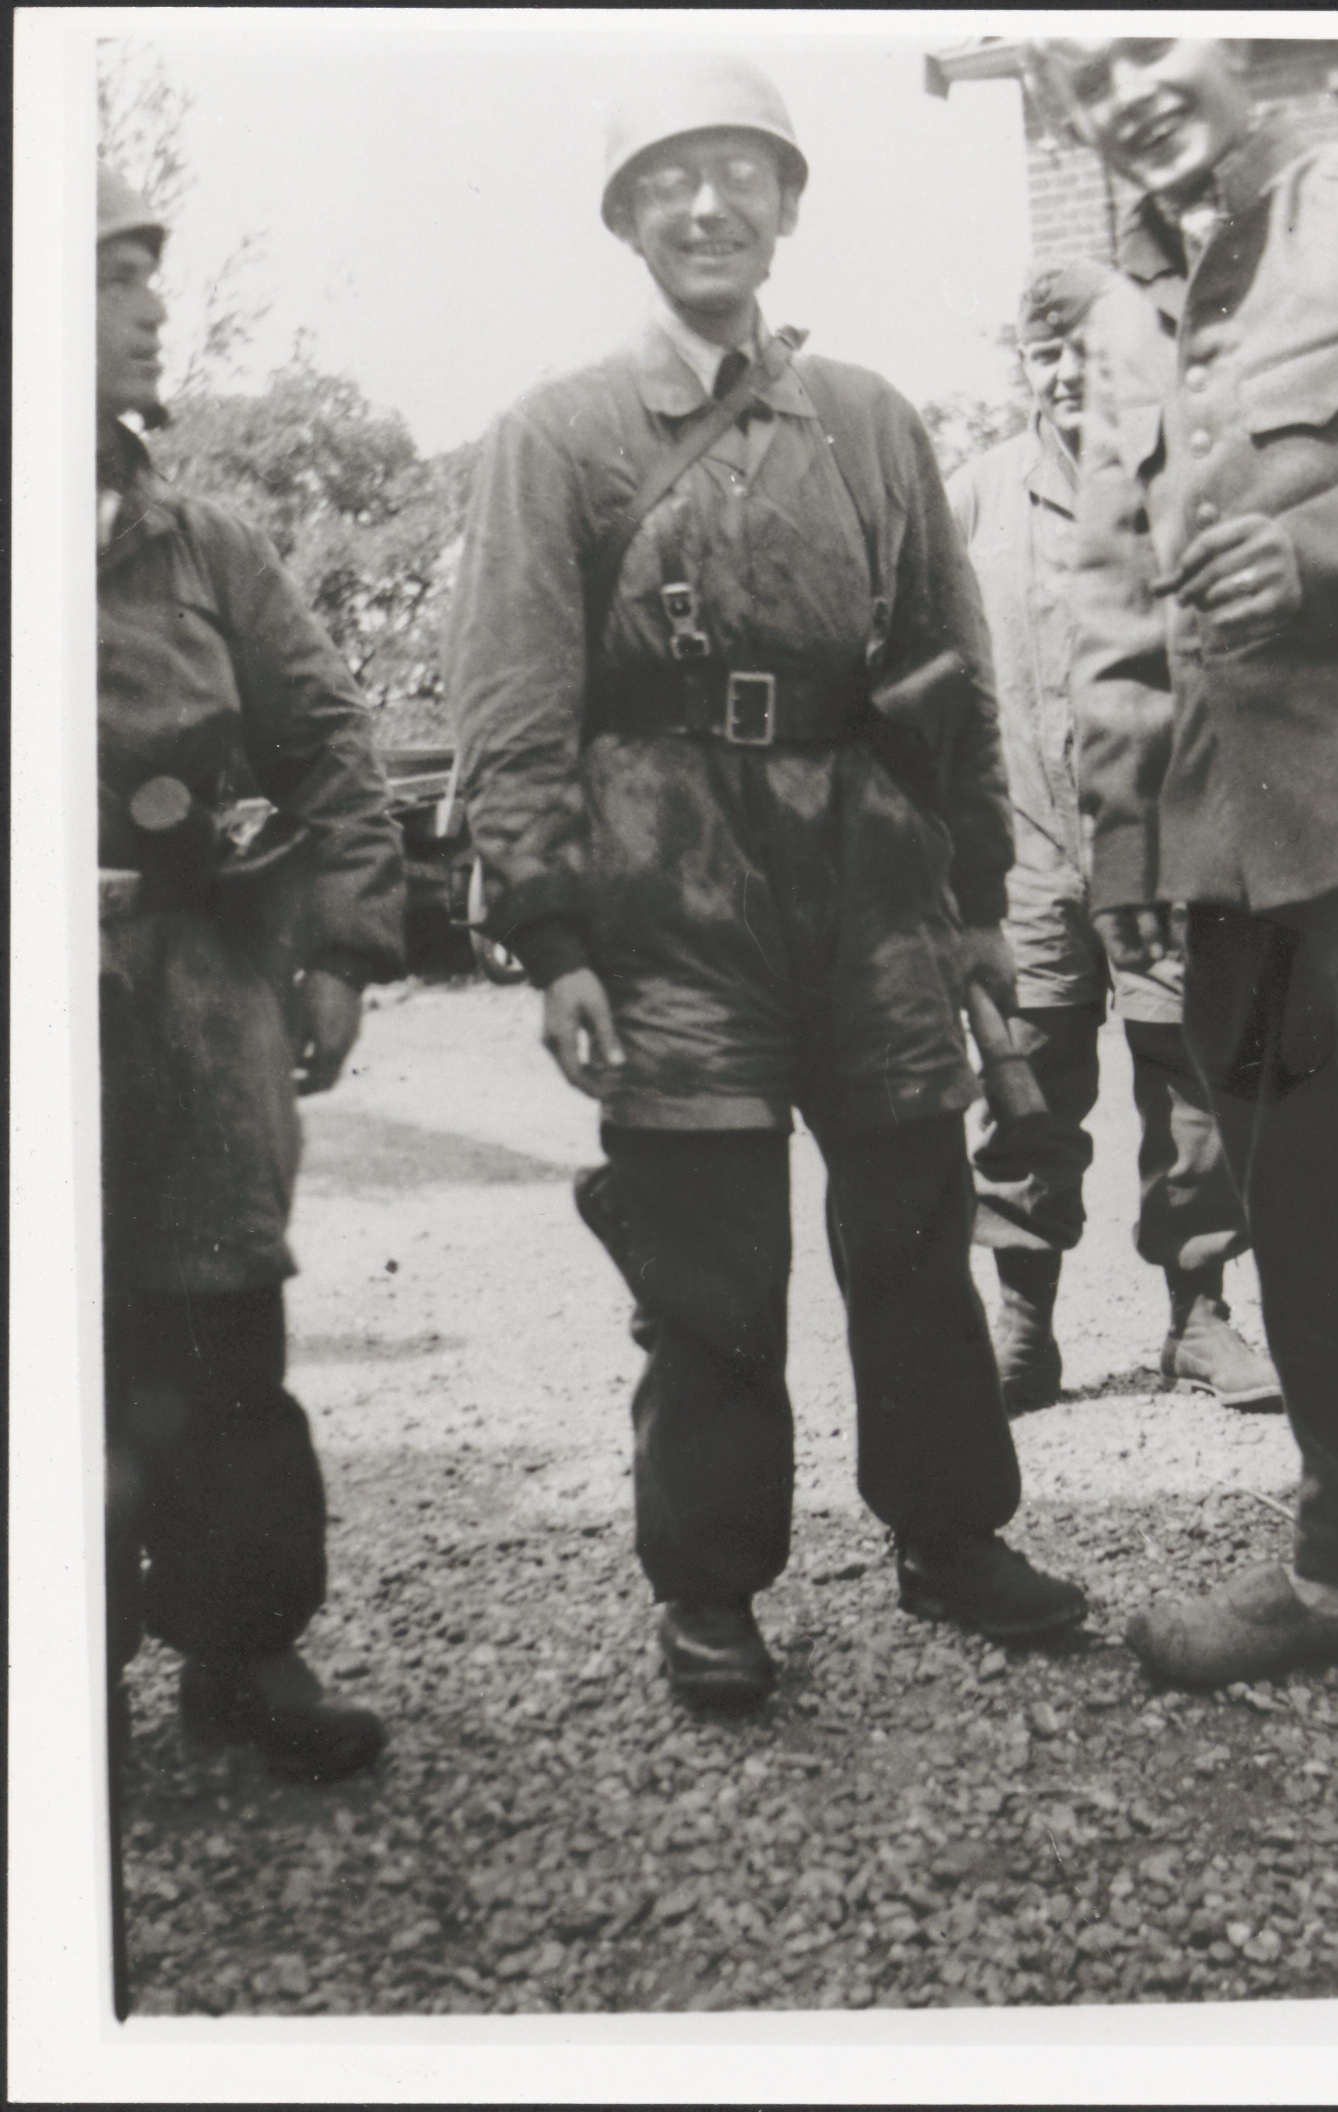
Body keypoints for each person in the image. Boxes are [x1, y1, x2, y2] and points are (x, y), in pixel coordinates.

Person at [448, 55, 1088, 1711]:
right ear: (625, 218)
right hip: (669, 899)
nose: (710, 204)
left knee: (917, 1231)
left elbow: (946, 674)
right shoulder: (556, 437)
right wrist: (553, 932)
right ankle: (713, 1588)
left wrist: (973, 905)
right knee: (710, 1273)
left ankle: (952, 1534)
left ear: (790, 205)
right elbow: (513, 704)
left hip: (870, 887)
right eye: (670, 178)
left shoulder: (869, 422)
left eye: (744, 172)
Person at [1025, 41, 1338, 1717]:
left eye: (1154, 37)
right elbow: (1117, 599)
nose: (1128, 84)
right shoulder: (1133, 315)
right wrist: (1129, 841)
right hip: (1229, 881)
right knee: (1309, 1230)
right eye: (1085, 67)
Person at [97, 168, 406, 1783]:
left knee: (221, 1335)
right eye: (110, 278)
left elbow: (330, 740)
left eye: (151, 274)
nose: (153, 308)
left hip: (196, 993)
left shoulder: (199, 543)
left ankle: (245, 1647)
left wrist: (344, 943)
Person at [947, 260, 1279, 1414]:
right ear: (1022, 365)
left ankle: (1199, 1318)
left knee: (1189, 1092)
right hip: (1023, 857)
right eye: (1045, 356)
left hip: (1171, 855)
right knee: (1024, 1085)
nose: (1066, 376)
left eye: (1089, 354)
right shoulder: (973, 499)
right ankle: (1022, 1327)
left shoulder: (1194, 488)